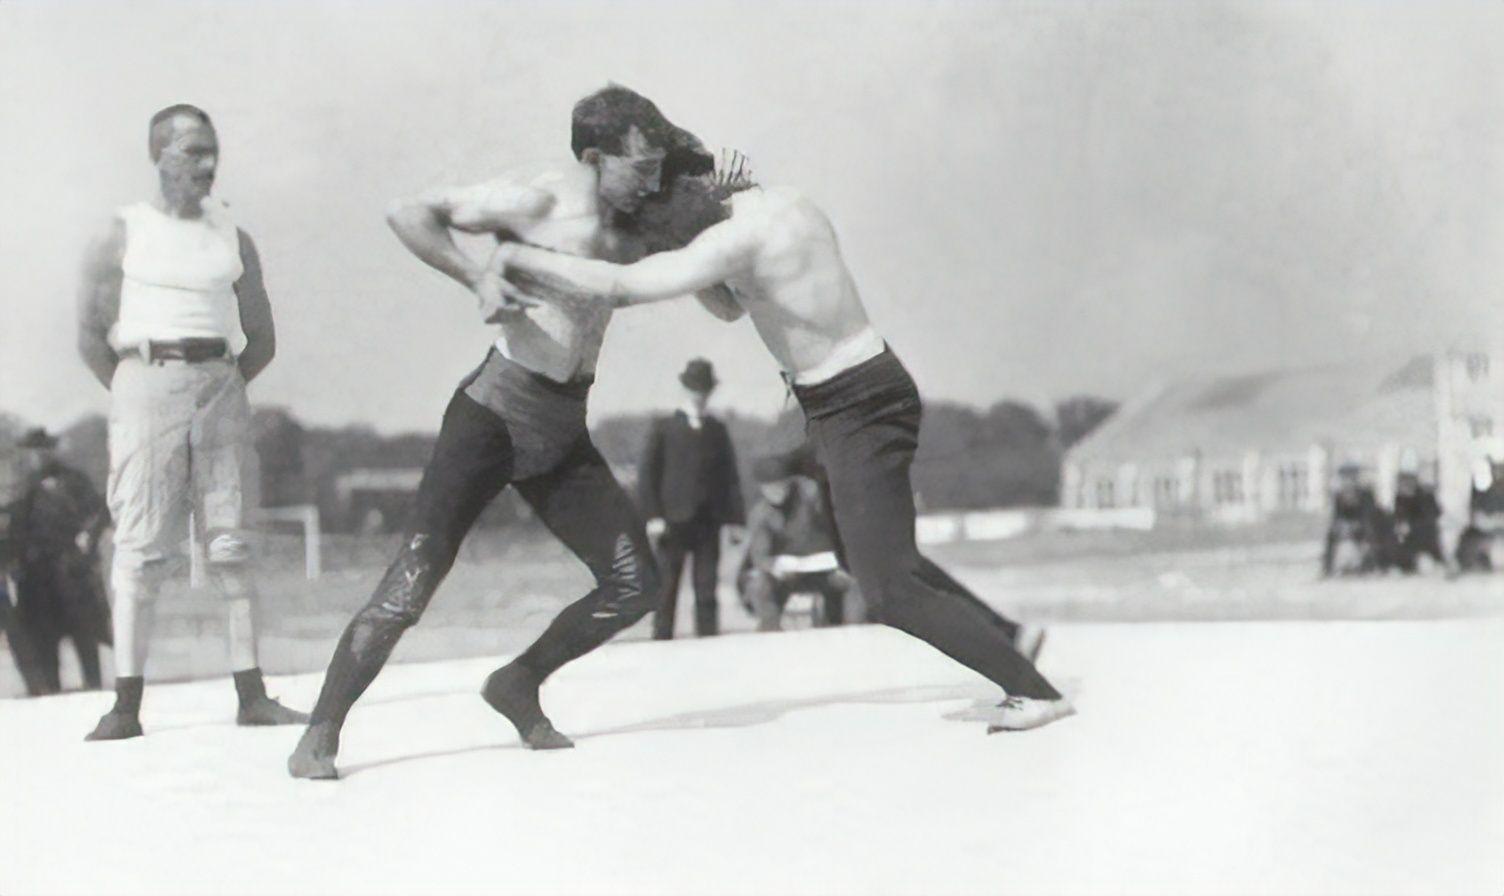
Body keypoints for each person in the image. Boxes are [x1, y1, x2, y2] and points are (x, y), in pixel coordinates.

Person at [491, 117, 1074, 732]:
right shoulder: (779, 207)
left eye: (662, 217)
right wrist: (678, 248)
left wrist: (522, 258)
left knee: (886, 589)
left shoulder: (733, 240)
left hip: (856, 406)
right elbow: (728, 306)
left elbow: (623, 284)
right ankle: (1009, 636)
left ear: (688, 195)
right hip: (847, 396)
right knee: (863, 551)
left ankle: (1032, 690)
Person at [287, 85, 737, 779]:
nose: (651, 182)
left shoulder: (646, 215)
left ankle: (518, 682)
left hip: (562, 430)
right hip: (492, 416)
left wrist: (708, 221)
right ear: (594, 156)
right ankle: (321, 730)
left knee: (634, 585)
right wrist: (476, 278)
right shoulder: (540, 201)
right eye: (640, 166)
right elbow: (406, 212)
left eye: (657, 169)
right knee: (413, 580)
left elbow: (724, 305)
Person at [75, 104, 307, 740]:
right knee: (141, 546)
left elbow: (260, 335)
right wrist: (141, 395)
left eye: (212, 151)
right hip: (144, 380)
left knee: (232, 544)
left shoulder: (234, 235)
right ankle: (126, 706)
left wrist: (219, 389)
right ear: (159, 156)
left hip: (221, 381)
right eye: (192, 152)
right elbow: (90, 335)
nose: (207, 165)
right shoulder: (120, 233)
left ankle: (252, 695)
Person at [639, 358, 744, 638]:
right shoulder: (664, 427)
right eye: (695, 388)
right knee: (667, 587)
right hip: (672, 522)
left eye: (705, 389)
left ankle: (708, 644)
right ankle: (661, 644)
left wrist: (735, 520)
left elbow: (729, 477)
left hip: (709, 521)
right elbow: (648, 476)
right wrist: (653, 516)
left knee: (707, 588)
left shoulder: (717, 429)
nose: (700, 395)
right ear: (685, 389)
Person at [5, 429, 113, 695]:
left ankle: (94, 687)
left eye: (42, 450)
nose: (37, 456)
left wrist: (87, 540)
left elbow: (100, 511)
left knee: (84, 632)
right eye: (32, 451)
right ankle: (49, 692)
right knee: (43, 638)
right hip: (35, 576)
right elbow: (13, 530)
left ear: (51, 451)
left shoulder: (74, 481)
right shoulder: (22, 486)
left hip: (71, 571)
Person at [737, 453, 851, 631]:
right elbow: (760, 555)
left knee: (851, 581)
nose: (776, 492)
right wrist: (774, 566)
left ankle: (850, 631)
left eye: (780, 485)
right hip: (786, 575)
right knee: (758, 584)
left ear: (789, 482)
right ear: (761, 488)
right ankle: (771, 632)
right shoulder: (761, 514)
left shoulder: (813, 497)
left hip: (825, 569)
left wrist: (838, 559)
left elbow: (837, 530)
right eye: (769, 488)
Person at [1322, 463, 1386, 576]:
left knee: (1369, 533)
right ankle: (1328, 567)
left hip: (1366, 530)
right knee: (1333, 533)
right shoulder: (1339, 497)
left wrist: (1354, 526)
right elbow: (1336, 519)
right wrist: (1342, 526)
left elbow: (1370, 518)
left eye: (1351, 478)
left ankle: (1373, 565)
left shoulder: (1366, 495)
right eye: (1345, 478)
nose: (1348, 482)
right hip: (1348, 531)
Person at [1456, 448, 1504, 573]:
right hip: (1485, 533)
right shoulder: (1482, 492)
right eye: (1496, 469)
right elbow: (1476, 517)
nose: (1498, 473)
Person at [1389, 470, 1444, 574]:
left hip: (1425, 538)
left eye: (1407, 482)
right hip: (1408, 540)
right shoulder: (1400, 499)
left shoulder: (1426, 497)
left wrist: (1410, 527)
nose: (1404, 486)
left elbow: (1431, 520)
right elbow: (1398, 519)